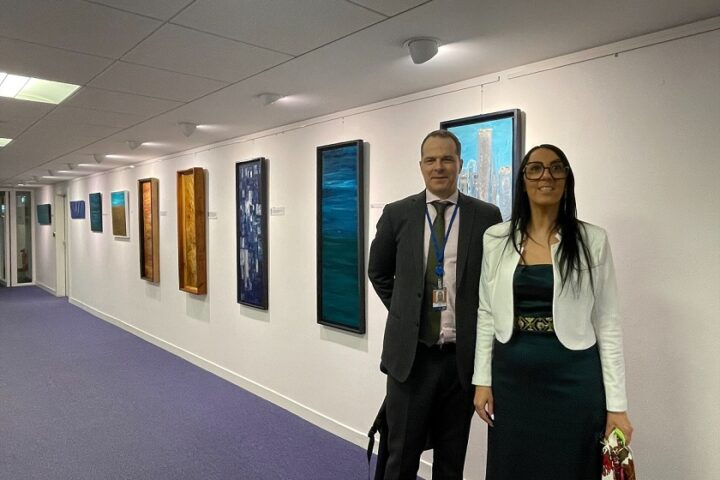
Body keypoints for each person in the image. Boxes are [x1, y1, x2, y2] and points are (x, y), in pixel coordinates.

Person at [472, 144, 634, 479]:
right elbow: (486, 312)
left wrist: (617, 407)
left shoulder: (592, 240)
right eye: (535, 168)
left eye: (556, 168)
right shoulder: (496, 238)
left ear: (566, 179)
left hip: (573, 378)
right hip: (512, 380)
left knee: (571, 466)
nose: (546, 176)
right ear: (523, 180)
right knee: (513, 466)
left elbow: (607, 322)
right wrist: (482, 380)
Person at [369, 129, 502, 479]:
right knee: (401, 456)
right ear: (421, 166)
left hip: (460, 361)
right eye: (431, 160)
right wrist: (407, 314)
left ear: (459, 164)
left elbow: (493, 285)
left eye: (446, 159)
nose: (438, 167)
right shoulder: (398, 214)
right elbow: (378, 272)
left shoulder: (486, 216)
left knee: (451, 460)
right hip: (412, 359)